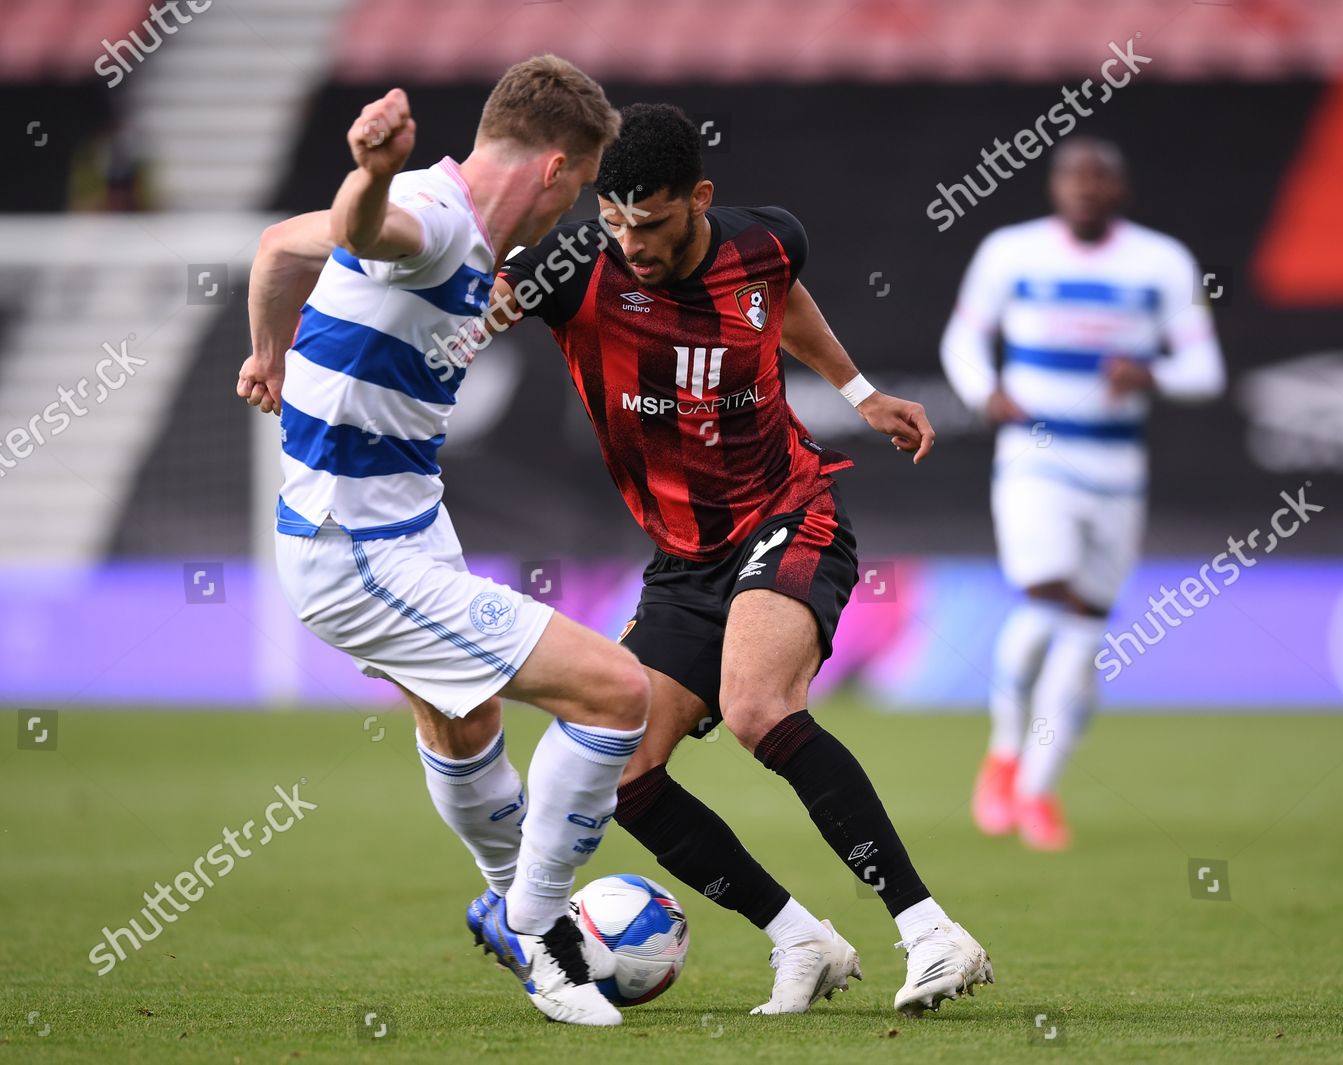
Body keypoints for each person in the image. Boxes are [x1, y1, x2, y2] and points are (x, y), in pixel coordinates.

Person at [482, 103, 993, 1018]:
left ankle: (929, 929)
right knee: (624, 772)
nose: (632, 243)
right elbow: (481, 296)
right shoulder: (575, 275)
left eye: (653, 222)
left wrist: (860, 391)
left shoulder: (766, 241)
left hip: (788, 511)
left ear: (700, 199)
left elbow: (782, 295)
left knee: (760, 708)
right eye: (615, 220)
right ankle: (800, 937)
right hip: (682, 559)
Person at [234, 57, 651, 1027]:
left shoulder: (463, 232)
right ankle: (542, 934)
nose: (573, 210)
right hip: (358, 554)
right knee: (617, 693)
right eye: (580, 188)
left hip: (404, 522)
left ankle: (514, 904)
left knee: (463, 727)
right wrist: (372, 172)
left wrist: (265, 353)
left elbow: (282, 248)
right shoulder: (439, 221)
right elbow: (357, 229)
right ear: (554, 169)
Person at [940, 138, 1225, 850]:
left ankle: (1036, 788)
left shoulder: (1164, 262)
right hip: (1036, 455)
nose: (1086, 188)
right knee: (1049, 595)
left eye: (1101, 178)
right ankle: (1006, 750)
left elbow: (1206, 367)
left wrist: (1153, 373)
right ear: (1055, 187)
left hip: (1117, 468)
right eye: (1074, 176)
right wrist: (986, 391)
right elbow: (962, 342)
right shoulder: (1010, 251)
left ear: (1120, 192)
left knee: (1088, 629)